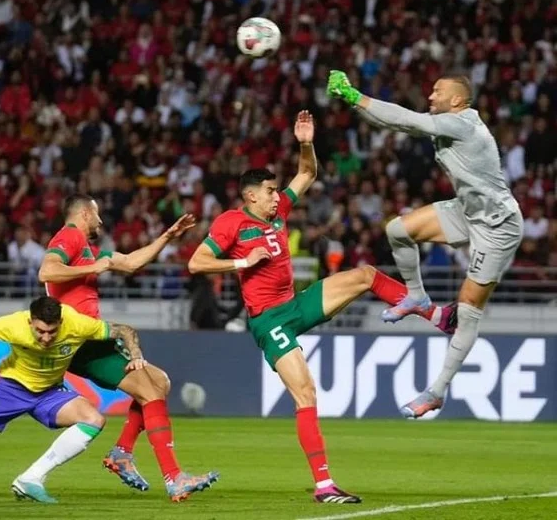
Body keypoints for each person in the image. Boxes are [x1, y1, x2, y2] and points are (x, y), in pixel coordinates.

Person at [188, 111, 455, 504]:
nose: (277, 196)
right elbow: (197, 262)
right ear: (251, 196)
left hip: (295, 303)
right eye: (270, 191)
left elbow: (307, 173)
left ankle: (437, 316)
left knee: (365, 275)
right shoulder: (231, 223)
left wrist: (306, 143)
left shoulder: (278, 210)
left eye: (276, 191)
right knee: (306, 394)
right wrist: (242, 262)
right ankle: (324, 485)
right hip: (269, 321)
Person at [327, 71, 524, 418]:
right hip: (469, 210)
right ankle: (417, 296)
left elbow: (405, 119)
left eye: (438, 91)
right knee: (398, 230)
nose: (431, 96)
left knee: (467, 311)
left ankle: (436, 392)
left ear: (457, 100)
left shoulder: (462, 124)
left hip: (498, 225)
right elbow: (395, 123)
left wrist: (354, 94)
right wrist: (351, 102)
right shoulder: (446, 123)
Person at [39, 197, 218, 501]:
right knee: (150, 391)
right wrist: (95, 266)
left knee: (159, 382)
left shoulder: (87, 249)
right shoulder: (69, 236)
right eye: (97, 215)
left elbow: (132, 262)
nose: (101, 221)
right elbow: (47, 271)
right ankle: (174, 478)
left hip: (90, 337)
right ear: (85, 213)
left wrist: (167, 236)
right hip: (80, 340)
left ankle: (122, 452)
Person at [0, 296, 139, 503]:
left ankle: (31, 478)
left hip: (50, 393)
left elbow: (125, 331)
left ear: (61, 322)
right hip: (10, 390)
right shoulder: (14, 324)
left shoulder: (78, 324)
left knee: (93, 419)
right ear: (30, 321)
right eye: (40, 331)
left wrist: (136, 356)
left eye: (52, 332)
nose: (46, 338)